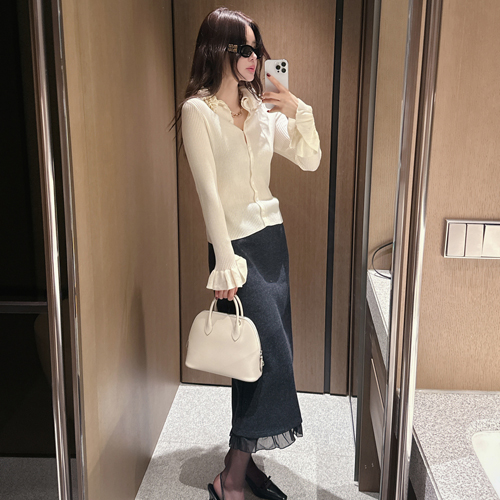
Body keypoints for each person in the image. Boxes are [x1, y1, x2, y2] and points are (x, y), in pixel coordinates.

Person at [170, 7, 321, 500]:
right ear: (219, 50)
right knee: (271, 358)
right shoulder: (198, 112)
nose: (255, 59)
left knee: (257, 360)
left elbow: (309, 159)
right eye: (244, 49)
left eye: (257, 49)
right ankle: (231, 479)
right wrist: (224, 261)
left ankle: (241, 466)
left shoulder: (259, 111)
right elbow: (208, 194)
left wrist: (296, 107)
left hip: (272, 244)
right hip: (235, 249)